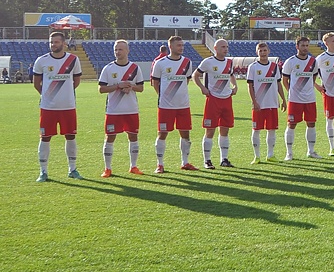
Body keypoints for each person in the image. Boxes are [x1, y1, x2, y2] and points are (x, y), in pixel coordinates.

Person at [33, 31, 83, 182]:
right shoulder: (41, 61)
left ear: (63, 43)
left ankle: (72, 169)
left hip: (68, 106)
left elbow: (76, 81)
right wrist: (49, 96)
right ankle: (43, 172)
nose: (53, 45)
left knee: (71, 136)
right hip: (48, 108)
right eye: (51, 42)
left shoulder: (73, 60)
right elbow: (36, 83)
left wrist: (65, 94)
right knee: (45, 137)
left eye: (56, 42)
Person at [151, 35, 197, 173]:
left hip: (183, 105)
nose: (181, 48)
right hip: (166, 106)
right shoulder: (160, 63)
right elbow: (155, 83)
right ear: (170, 47)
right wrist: (164, 96)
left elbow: (186, 80)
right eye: (178, 45)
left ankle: (185, 162)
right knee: (162, 134)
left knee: (185, 134)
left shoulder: (187, 62)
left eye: (182, 45)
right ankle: (160, 164)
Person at [98, 40, 144, 177]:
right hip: (113, 110)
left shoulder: (135, 68)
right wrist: (118, 86)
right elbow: (101, 89)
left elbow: (141, 88)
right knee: (110, 137)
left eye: (120, 49)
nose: (118, 52)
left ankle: (134, 166)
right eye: (116, 50)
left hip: (131, 109)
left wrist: (131, 87)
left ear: (127, 51)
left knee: (133, 137)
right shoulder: (108, 68)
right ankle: (107, 168)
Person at [192, 38, 237, 169]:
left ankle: (224, 159)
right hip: (213, 100)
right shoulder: (208, 62)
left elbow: (231, 75)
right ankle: (207, 160)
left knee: (225, 130)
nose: (225, 49)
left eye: (227, 46)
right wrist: (202, 88)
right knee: (210, 131)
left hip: (227, 99)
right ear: (216, 49)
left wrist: (235, 86)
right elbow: (195, 75)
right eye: (223, 47)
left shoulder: (229, 62)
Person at [281, 36, 321, 159]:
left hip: (310, 99)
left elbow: (313, 77)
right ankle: (289, 153)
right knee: (291, 125)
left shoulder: (313, 62)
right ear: (297, 46)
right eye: (303, 45)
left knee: (311, 124)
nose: (305, 48)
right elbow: (285, 80)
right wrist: (292, 92)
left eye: (307, 45)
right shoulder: (290, 61)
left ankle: (311, 151)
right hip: (294, 100)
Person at [247, 42, 287, 163]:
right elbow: (250, 86)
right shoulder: (253, 67)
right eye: (260, 51)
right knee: (256, 130)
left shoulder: (274, 67)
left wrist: (284, 100)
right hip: (259, 104)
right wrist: (254, 102)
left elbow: (278, 83)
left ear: (268, 51)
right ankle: (257, 156)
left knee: (272, 130)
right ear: (257, 53)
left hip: (272, 104)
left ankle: (270, 154)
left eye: (265, 50)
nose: (263, 53)